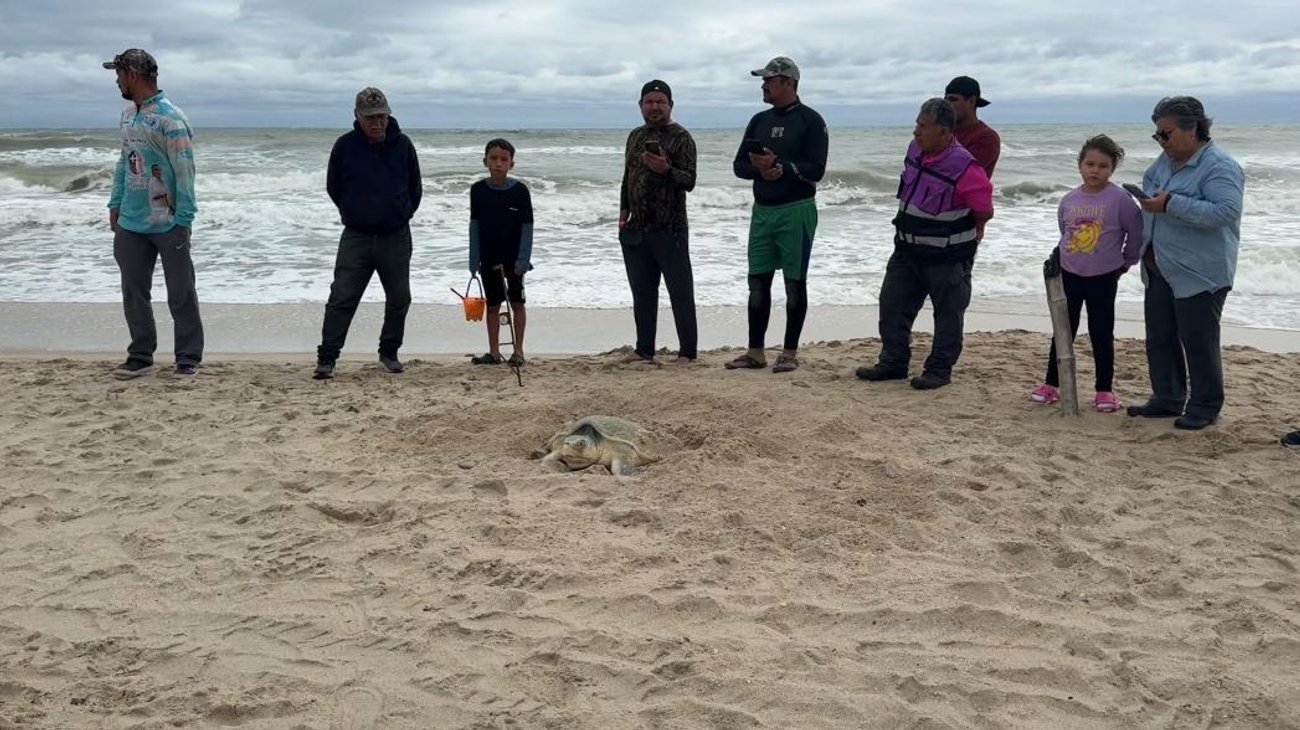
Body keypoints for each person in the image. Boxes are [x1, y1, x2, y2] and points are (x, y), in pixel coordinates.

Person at [855, 98, 993, 390]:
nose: (916, 132)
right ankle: (893, 363)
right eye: (916, 124)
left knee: (948, 315)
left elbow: (984, 210)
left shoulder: (965, 166)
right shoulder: (914, 149)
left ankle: (939, 370)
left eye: (924, 127)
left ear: (944, 132)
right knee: (892, 305)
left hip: (947, 256)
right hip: (906, 251)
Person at [1126, 96, 1244, 431]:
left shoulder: (1220, 166)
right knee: (1160, 337)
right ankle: (1167, 398)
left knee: (1198, 341)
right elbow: (1153, 198)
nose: (1160, 141)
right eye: (1157, 134)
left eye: (1166, 133)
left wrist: (1170, 204)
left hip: (1199, 270)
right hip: (1159, 264)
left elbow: (1226, 212)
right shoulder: (1162, 163)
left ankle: (1205, 406)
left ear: (1192, 129)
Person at [103, 48, 203, 379]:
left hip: (168, 220)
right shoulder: (127, 115)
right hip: (131, 221)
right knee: (134, 292)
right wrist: (115, 203)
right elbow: (124, 161)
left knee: (181, 292)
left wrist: (184, 219)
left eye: (118, 74)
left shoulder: (171, 119)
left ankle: (188, 356)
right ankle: (140, 355)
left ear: (132, 75)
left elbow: (185, 170)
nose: (116, 80)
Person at [725, 56, 828, 374]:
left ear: (790, 82)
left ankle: (789, 353)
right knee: (757, 282)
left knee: (794, 283)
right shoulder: (759, 120)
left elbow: (817, 170)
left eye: (769, 80)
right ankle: (755, 352)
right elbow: (739, 166)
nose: (763, 85)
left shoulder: (811, 121)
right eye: (764, 80)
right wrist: (760, 170)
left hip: (796, 211)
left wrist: (779, 166)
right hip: (762, 211)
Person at [313, 87, 422, 380]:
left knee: (400, 297)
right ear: (357, 117)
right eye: (371, 117)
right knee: (342, 297)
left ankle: (389, 353)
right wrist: (353, 211)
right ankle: (327, 358)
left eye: (382, 116)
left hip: (395, 235)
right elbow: (334, 187)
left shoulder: (403, 145)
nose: (377, 122)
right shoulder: (345, 146)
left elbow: (415, 188)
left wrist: (401, 213)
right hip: (356, 235)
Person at [1029, 135, 1143, 412]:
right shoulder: (1069, 199)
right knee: (1063, 331)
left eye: (1103, 166)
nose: (1095, 170)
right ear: (1080, 165)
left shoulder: (1121, 200)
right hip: (1069, 274)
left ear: (1112, 169)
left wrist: (1126, 262)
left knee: (1101, 332)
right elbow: (1064, 231)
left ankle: (1104, 390)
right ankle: (1052, 384)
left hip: (1104, 276)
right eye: (1090, 164)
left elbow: (1136, 233)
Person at [618, 79, 698, 365]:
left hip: (670, 227)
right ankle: (644, 349)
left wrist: (666, 169)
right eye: (649, 102)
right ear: (640, 106)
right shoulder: (635, 136)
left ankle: (687, 352)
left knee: (680, 292)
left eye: (660, 102)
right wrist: (623, 211)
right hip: (636, 227)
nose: (654, 107)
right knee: (642, 292)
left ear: (670, 105)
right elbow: (627, 176)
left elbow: (689, 181)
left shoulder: (682, 137)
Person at [468, 138, 534, 366]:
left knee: (517, 303)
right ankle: (494, 352)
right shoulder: (477, 190)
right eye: (493, 158)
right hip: (489, 257)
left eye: (504, 159)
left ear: (511, 164)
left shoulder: (520, 191)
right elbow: (474, 226)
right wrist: (473, 259)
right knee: (493, 305)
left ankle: (518, 351)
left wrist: (523, 260)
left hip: (514, 259)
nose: (498, 163)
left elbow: (528, 227)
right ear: (485, 161)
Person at [944, 76, 1001, 178]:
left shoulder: (986, 137)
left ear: (971, 101)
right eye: (945, 100)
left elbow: (953, 171)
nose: (947, 105)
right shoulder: (945, 131)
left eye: (953, 99)